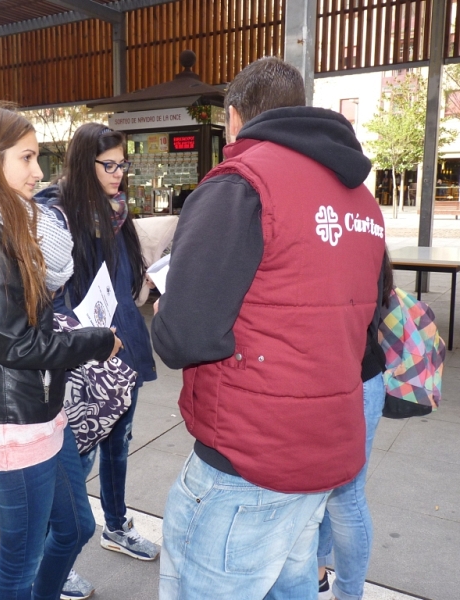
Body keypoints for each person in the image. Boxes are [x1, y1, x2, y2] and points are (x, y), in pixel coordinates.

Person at [151, 57, 386, 599]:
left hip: (247, 459)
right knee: (291, 583)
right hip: (324, 449)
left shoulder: (242, 183)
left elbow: (187, 336)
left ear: (234, 118)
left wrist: (166, 314)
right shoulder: (360, 199)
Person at [0, 101, 120, 600]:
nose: (38, 171)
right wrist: (96, 341)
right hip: (10, 422)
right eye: (26, 157)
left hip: (41, 411)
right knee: (20, 560)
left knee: (76, 528)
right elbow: (17, 344)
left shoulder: (10, 225)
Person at [36, 123, 159, 600]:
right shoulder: (58, 215)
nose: (118, 173)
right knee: (78, 457)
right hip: (85, 355)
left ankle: (116, 525)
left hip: (123, 342)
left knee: (119, 445)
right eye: (109, 165)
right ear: (83, 163)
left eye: (122, 164)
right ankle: (58, 552)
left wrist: (146, 283)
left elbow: (125, 277)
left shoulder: (117, 212)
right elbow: (50, 296)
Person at [317, 254, 392, 600]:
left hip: (353, 382)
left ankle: (348, 592)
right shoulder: (364, 238)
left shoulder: (348, 245)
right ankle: (319, 569)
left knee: (344, 496)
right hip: (356, 379)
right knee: (328, 491)